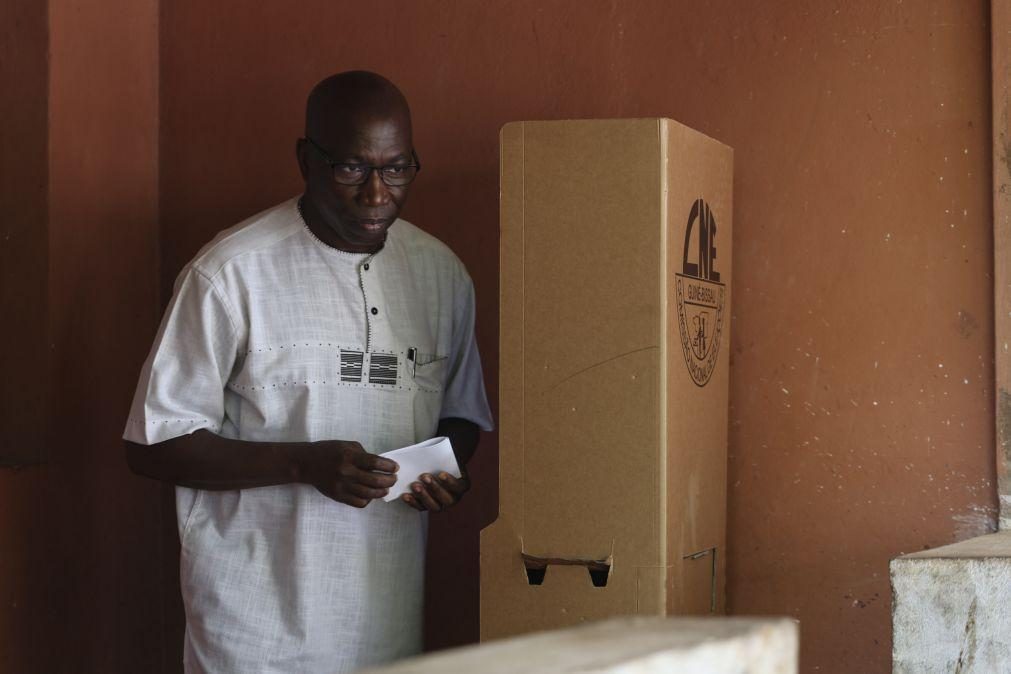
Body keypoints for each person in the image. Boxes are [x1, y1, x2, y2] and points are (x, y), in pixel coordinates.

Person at [124, 71, 493, 673]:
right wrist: (303, 463)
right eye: (352, 168)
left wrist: (445, 469)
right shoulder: (231, 273)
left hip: (387, 624)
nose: (377, 194)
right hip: (254, 633)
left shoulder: (440, 275)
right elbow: (152, 444)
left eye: (397, 169)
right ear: (307, 160)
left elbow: (462, 414)